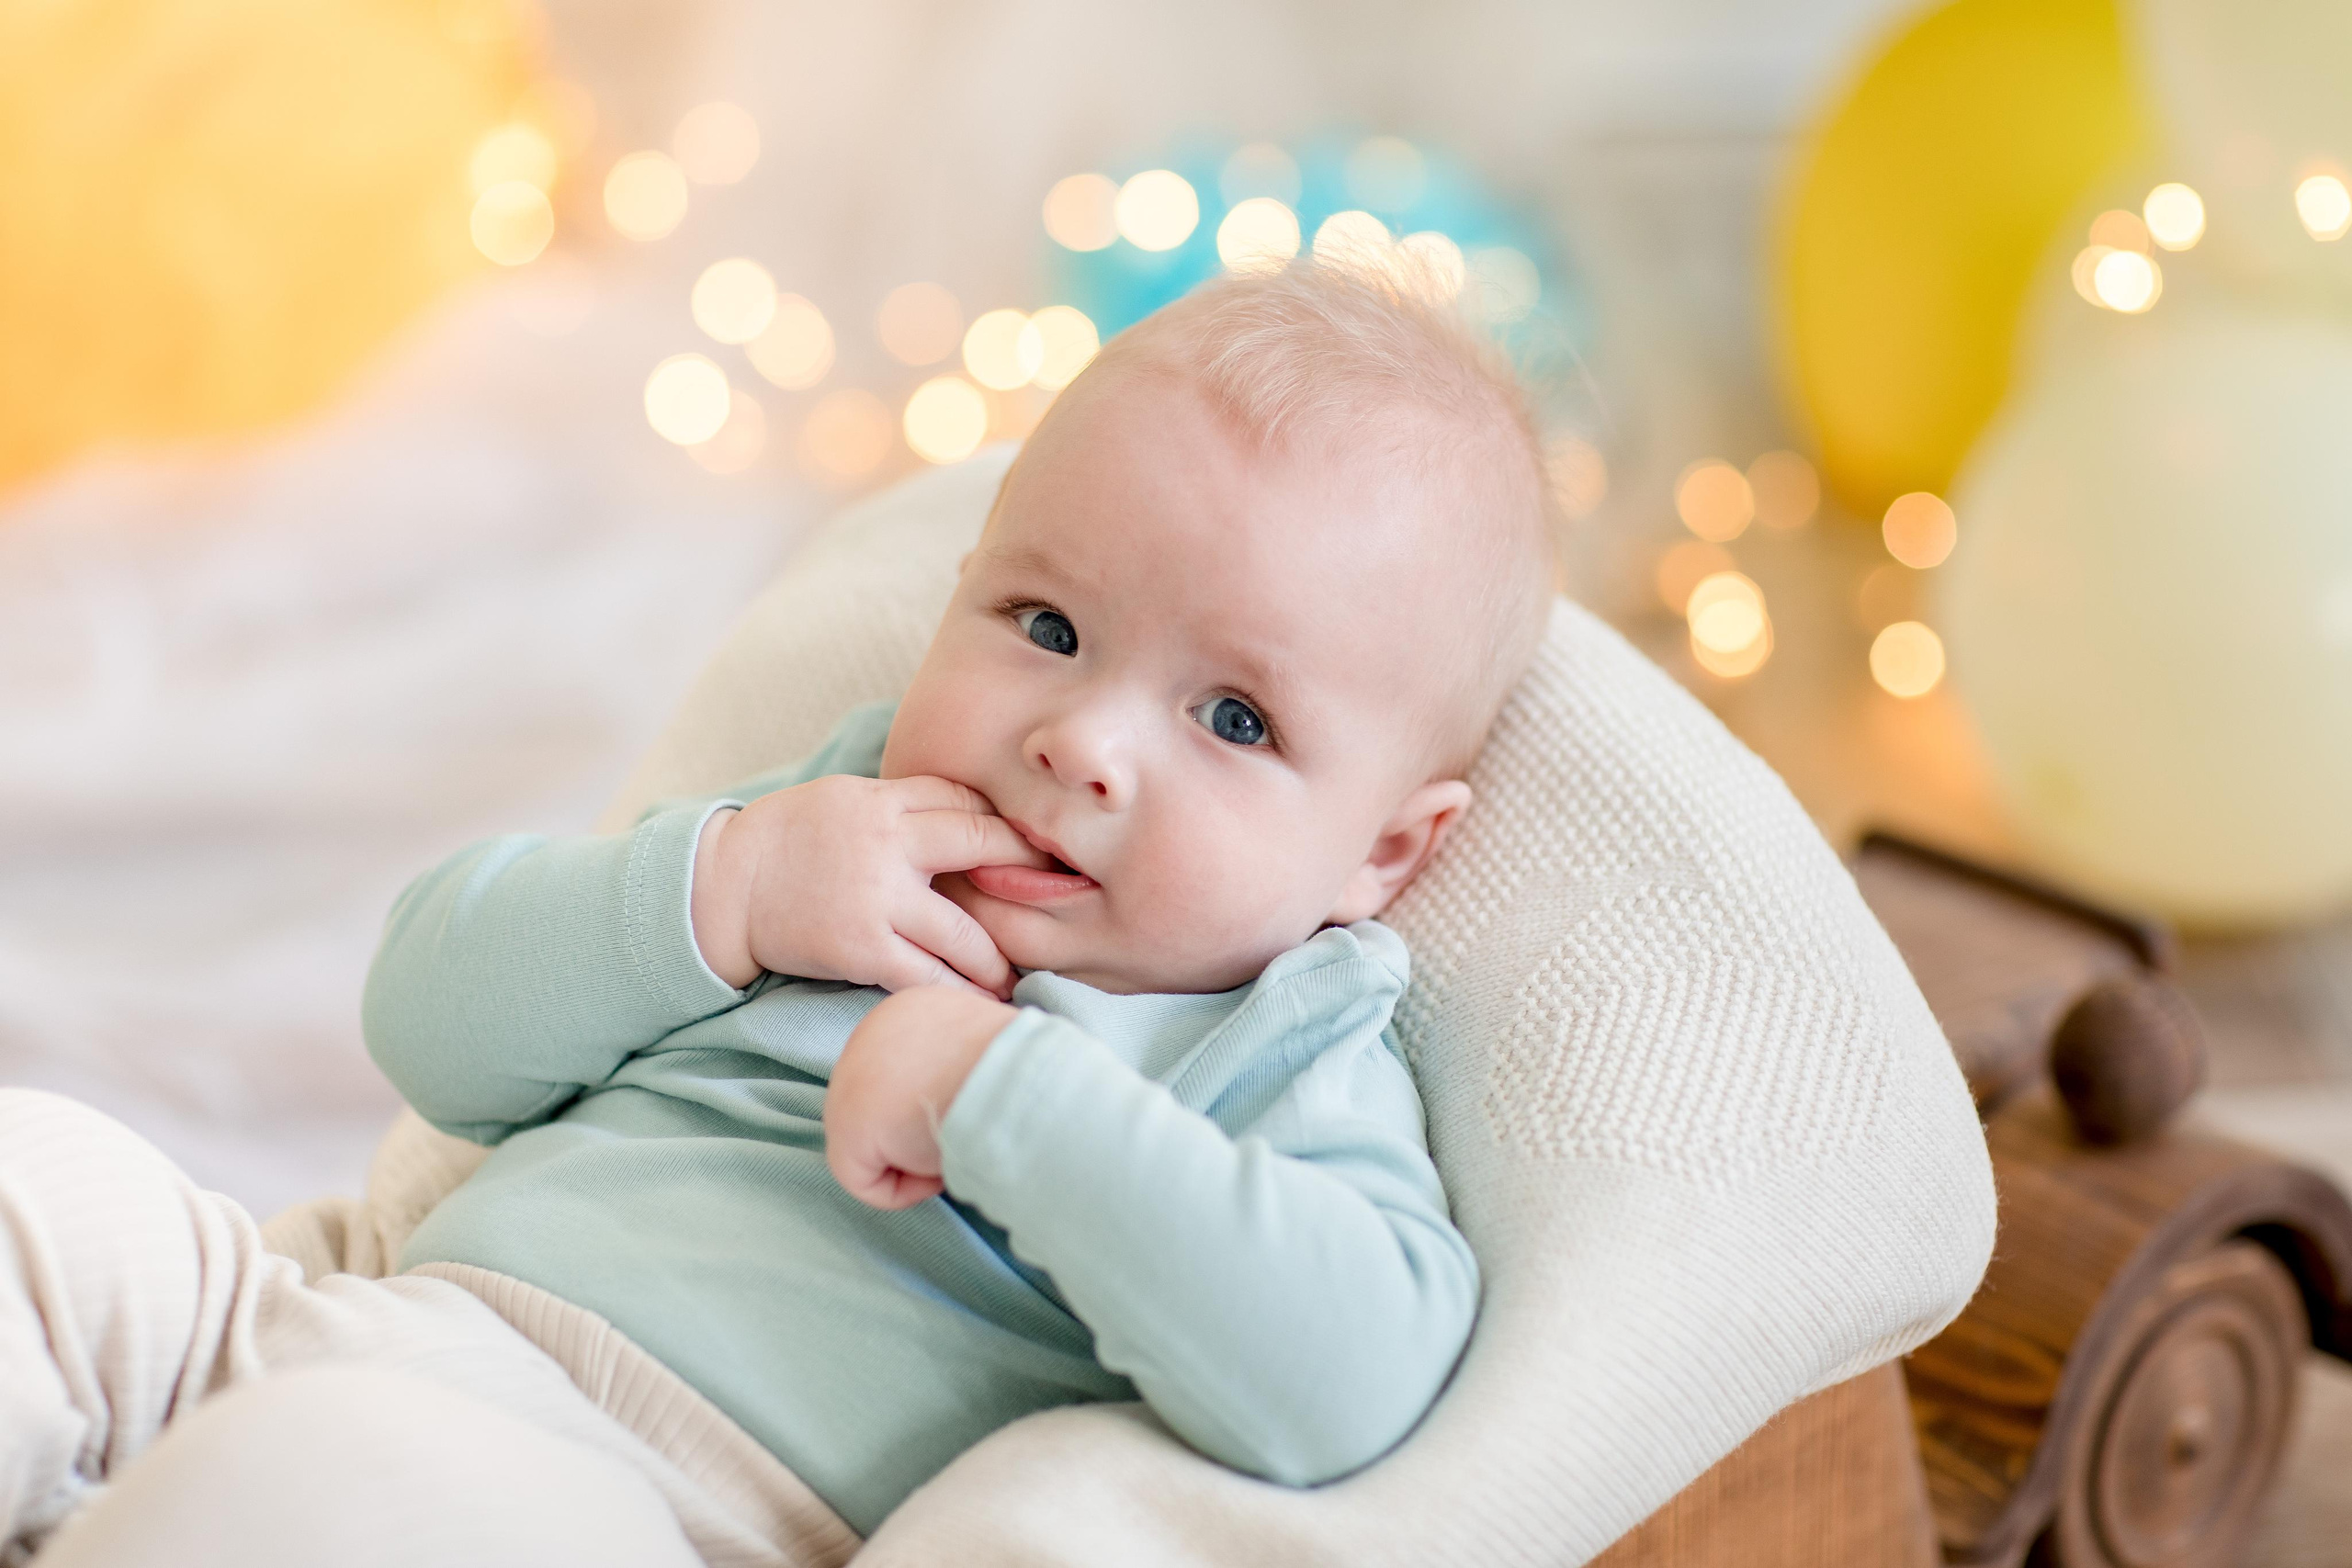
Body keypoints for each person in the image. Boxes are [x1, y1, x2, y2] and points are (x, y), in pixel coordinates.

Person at [0, 256, 1560, 1565]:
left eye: (1233, 720)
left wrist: (996, 1093)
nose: (1080, 740)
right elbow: (425, 1018)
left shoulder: (1278, 1042)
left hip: (627, 1495)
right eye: (1046, 624)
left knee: (325, 1491)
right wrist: (728, 889)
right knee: (41, 1185)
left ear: (1381, 853)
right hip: (347, 1314)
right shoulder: (841, 822)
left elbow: (1346, 1380)